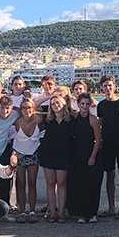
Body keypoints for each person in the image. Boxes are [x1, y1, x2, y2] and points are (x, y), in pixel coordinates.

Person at [98, 75, 119, 219]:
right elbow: (101, 125)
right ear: (101, 88)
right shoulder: (101, 105)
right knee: (109, 175)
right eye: (105, 86)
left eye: (110, 85)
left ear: (115, 86)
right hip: (107, 144)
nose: (108, 88)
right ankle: (111, 207)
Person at [66, 93, 102, 223]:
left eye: (87, 104)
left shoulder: (93, 120)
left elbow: (98, 140)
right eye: (82, 104)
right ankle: (80, 213)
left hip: (91, 154)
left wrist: (92, 157)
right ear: (78, 104)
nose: (84, 106)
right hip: (77, 154)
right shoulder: (74, 117)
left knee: (91, 185)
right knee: (78, 184)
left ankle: (91, 213)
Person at [38, 94, 72, 223]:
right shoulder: (47, 120)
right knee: (50, 184)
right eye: (53, 104)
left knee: (62, 184)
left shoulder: (70, 120)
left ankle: (61, 213)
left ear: (63, 104)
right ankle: (52, 213)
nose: (55, 105)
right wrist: (50, 96)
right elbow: (35, 106)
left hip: (64, 155)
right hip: (48, 155)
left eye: (58, 103)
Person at [12, 98, 42, 222]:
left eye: (29, 107)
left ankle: (32, 211)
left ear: (33, 109)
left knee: (32, 183)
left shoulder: (39, 119)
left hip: (33, 153)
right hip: (20, 154)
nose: (26, 110)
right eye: (24, 108)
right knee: (21, 183)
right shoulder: (17, 122)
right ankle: (23, 211)